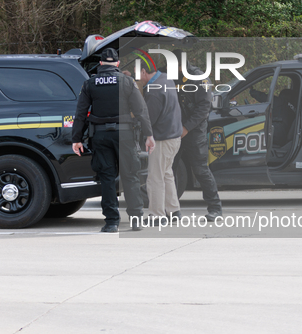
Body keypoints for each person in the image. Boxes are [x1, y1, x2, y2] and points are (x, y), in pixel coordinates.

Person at [72, 48, 155, 233]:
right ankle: (135, 220)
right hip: (125, 135)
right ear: (117, 64)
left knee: (107, 178)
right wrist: (149, 135)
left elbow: (81, 114)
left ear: (101, 64)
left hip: (100, 136)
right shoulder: (127, 82)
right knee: (131, 176)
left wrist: (76, 138)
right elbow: (141, 110)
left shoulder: (90, 83)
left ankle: (111, 222)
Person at [173, 49, 223, 221]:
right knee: (169, 170)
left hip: (194, 131)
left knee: (200, 170)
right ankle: (171, 210)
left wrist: (186, 127)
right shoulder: (170, 75)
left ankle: (215, 208)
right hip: (174, 130)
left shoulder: (200, 78)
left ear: (182, 65)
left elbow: (204, 108)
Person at [140, 66, 184, 222]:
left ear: (144, 72)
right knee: (167, 173)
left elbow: (149, 119)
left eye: (138, 74)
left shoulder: (153, 91)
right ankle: (174, 210)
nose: (138, 78)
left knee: (155, 177)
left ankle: (157, 215)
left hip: (162, 139)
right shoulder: (166, 79)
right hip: (174, 137)